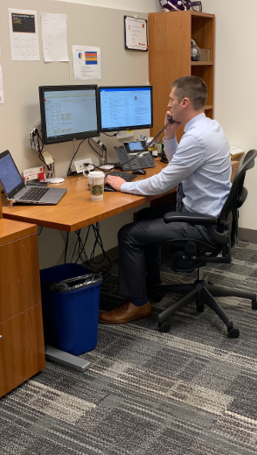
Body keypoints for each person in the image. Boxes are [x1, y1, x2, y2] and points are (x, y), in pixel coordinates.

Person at [99, 76, 232, 325]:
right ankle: (154, 284)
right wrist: (170, 133)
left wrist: (122, 184)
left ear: (184, 102)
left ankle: (137, 304)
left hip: (202, 224)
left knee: (129, 234)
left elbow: (163, 182)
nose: (168, 106)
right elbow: (177, 163)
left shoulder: (197, 138)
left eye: (171, 100)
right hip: (211, 215)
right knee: (145, 217)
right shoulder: (209, 127)